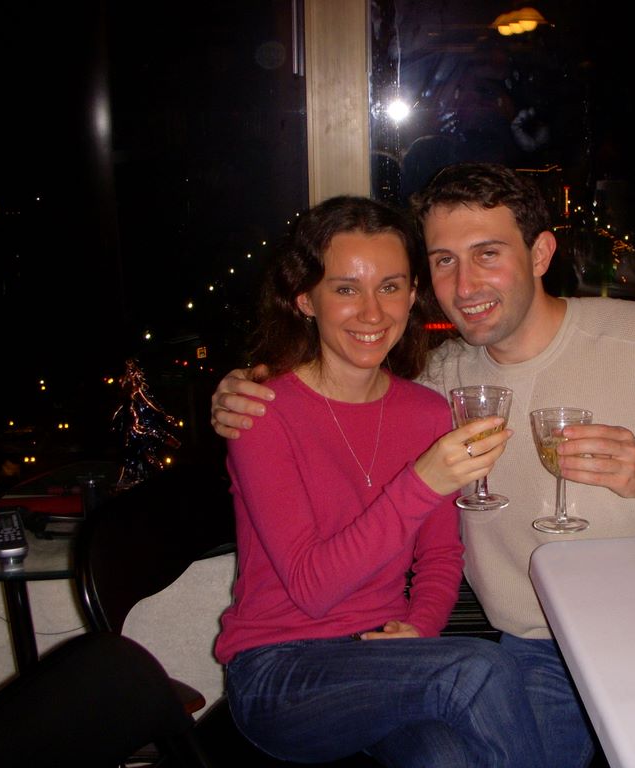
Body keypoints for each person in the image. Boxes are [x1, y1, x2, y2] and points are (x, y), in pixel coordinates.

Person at [211, 164, 635, 768]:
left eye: (487, 254)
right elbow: (333, 401)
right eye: (444, 260)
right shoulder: (442, 383)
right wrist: (241, 390)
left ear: (541, 253)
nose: (465, 283)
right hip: (534, 649)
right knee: (477, 683)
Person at [213, 194, 545, 768]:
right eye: (346, 289)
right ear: (305, 299)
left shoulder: (428, 413)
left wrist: (419, 628)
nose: (372, 313)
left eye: (390, 287)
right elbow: (313, 588)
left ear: (412, 295)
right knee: (477, 669)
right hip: (281, 671)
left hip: (386, 657)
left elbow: (440, 556)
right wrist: (424, 480)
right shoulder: (261, 413)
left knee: (448, 759)